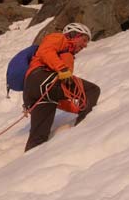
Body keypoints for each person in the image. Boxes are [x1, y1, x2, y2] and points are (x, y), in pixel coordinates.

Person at [23, 22, 101, 151]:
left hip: (35, 90)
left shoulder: (66, 55)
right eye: (84, 39)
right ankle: (84, 130)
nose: (85, 45)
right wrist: (62, 69)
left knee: (38, 138)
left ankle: (28, 164)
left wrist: (77, 109)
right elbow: (45, 51)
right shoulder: (59, 38)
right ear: (75, 35)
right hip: (41, 78)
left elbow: (61, 93)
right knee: (92, 90)